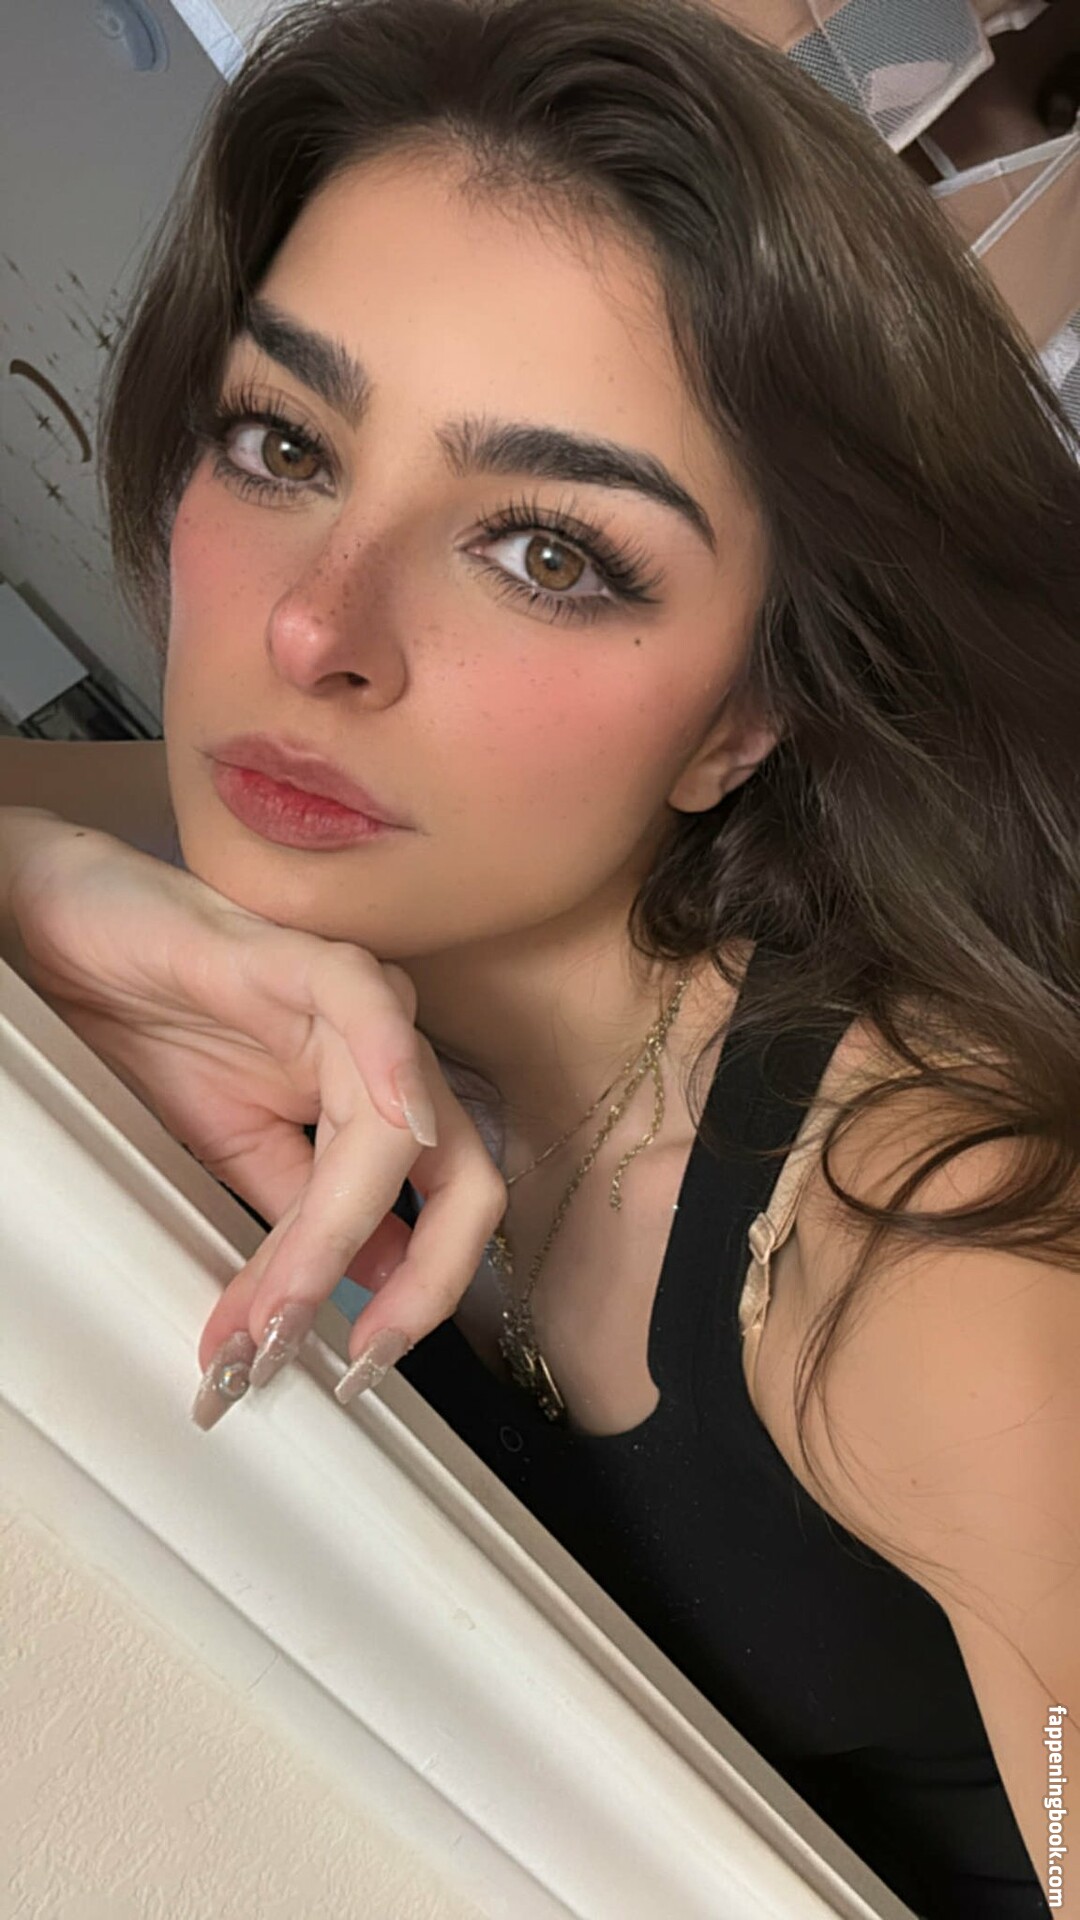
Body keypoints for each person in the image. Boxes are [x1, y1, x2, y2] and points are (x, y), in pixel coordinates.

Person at [2, 1, 1077, 1912]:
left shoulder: (920, 1242)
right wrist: (36, 885)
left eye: (550, 555)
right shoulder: (289, 860)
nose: (317, 628)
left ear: (748, 716)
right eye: (282, 442)